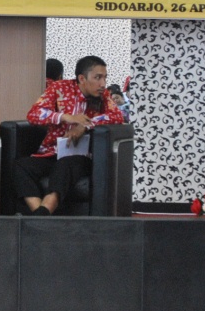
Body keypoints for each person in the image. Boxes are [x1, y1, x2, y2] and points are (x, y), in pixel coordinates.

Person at [13, 55, 124, 216]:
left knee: (64, 166)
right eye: (98, 78)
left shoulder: (103, 95)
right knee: (21, 165)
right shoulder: (59, 88)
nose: (103, 84)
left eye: (105, 78)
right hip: (52, 152)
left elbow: (117, 116)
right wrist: (65, 117)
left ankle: (41, 215)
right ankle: (40, 215)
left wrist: (86, 125)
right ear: (82, 78)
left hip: (81, 157)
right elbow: (34, 114)